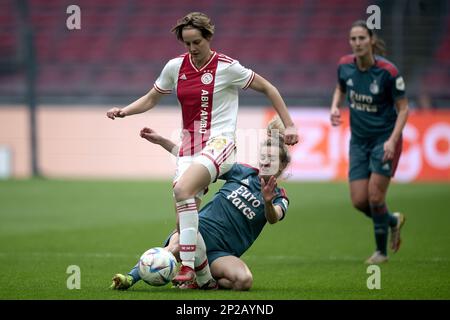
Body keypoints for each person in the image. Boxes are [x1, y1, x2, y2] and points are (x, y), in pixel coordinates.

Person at [106, 12, 298, 285]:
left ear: (208, 38)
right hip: (189, 148)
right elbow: (151, 98)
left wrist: (289, 125)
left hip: (220, 143)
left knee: (182, 190)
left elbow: (268, 87)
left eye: (197, 42)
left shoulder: (227, 67)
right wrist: (125, 112)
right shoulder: (175, 67)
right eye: (187, 43)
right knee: (183, 225)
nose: (192, 48)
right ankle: (202, 279)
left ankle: (185, 267)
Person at [111, 119, 291, 290]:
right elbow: (199, 163)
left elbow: (273, 218)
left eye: (272, 159)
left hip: (222, 252)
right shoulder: (242, 172)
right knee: (172, 249)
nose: (266, 161)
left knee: (243, 281)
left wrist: (267, 202)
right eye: (263, 157)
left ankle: (200, 279)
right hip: (199, 230)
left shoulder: (279, 196)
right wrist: (162, 142)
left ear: (282, 165)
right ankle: (129, 278)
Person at [330, 20, 409, 264]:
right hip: (359, 142)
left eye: (362, 38)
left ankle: (380, 253)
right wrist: (335, 106)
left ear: (371, 40)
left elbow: (404, 109)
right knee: (359, 201)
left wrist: (392, 141)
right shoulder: (345, 66)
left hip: (384, 141)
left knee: (375, 198)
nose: (357, 43)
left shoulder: (388, 72)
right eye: (353, 39)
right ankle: (393, 220)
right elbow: (340, 88)